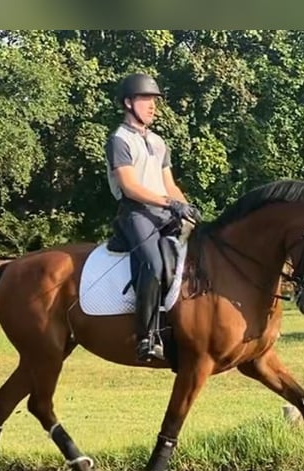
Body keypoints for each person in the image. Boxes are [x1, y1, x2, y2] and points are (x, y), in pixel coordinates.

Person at [105, 72, 201, 363]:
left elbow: (169, 184)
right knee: (153, 262)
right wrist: (170, 203)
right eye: (146, 99)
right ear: (128, 103)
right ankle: (146, 336)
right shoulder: (118, 140)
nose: (152, 106)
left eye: (154, 101)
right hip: (136, 213)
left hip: (164, 212)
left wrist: (187, 207)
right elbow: (130, 186)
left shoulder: (158, 142)